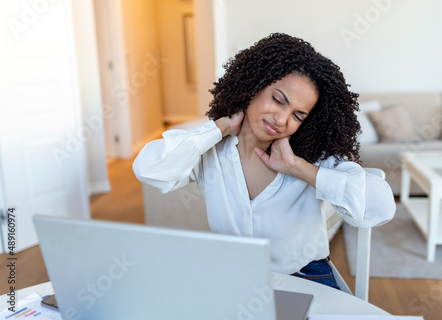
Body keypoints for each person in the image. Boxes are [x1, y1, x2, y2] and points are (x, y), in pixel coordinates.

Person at [133, 33, 396, 289]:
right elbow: (148, 167)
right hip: (235, 278)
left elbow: (381, 208)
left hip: (305, 278)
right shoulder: (211, 151)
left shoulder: (313, 155)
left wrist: (298, 168)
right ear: (253, 87)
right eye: (278, 100)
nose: (281, 120)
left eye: (297, 116)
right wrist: (218, 129)